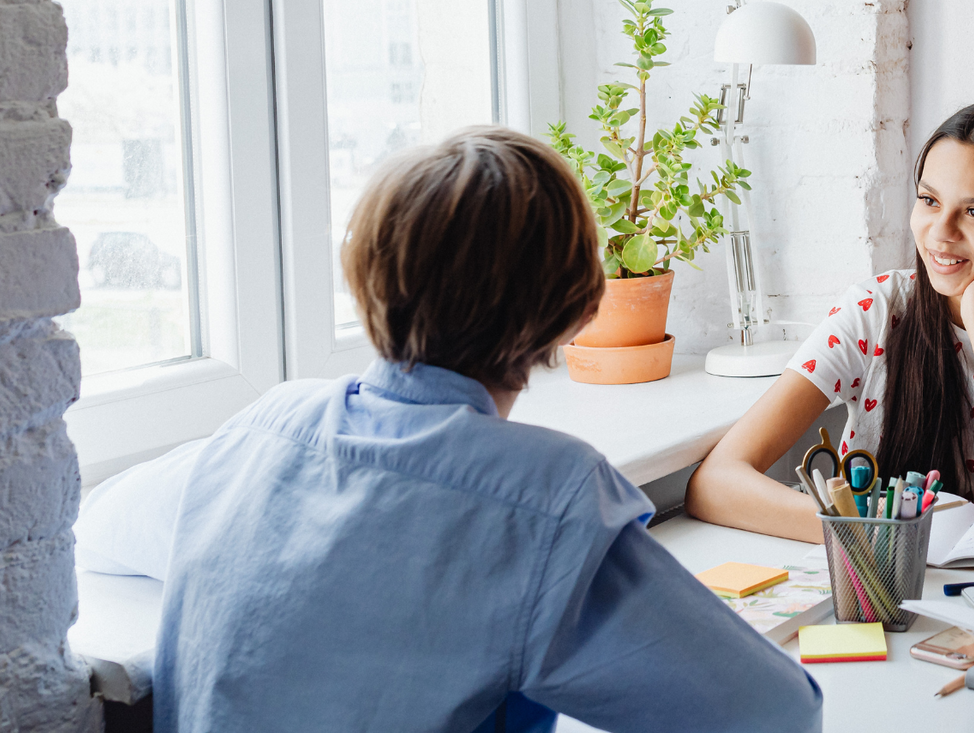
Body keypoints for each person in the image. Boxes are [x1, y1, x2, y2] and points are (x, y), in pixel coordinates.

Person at [73, 127, 823, 733]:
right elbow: (775, 715)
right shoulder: (546, 499)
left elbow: (101, 526)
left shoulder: (258, 429)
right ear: (575, 309)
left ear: (367, 274)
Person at [687, 99, 974, 540]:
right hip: (888, 579)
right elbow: (714, 485)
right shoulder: (875, 309)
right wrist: (878, 535)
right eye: (929, 200)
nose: (940, 232)